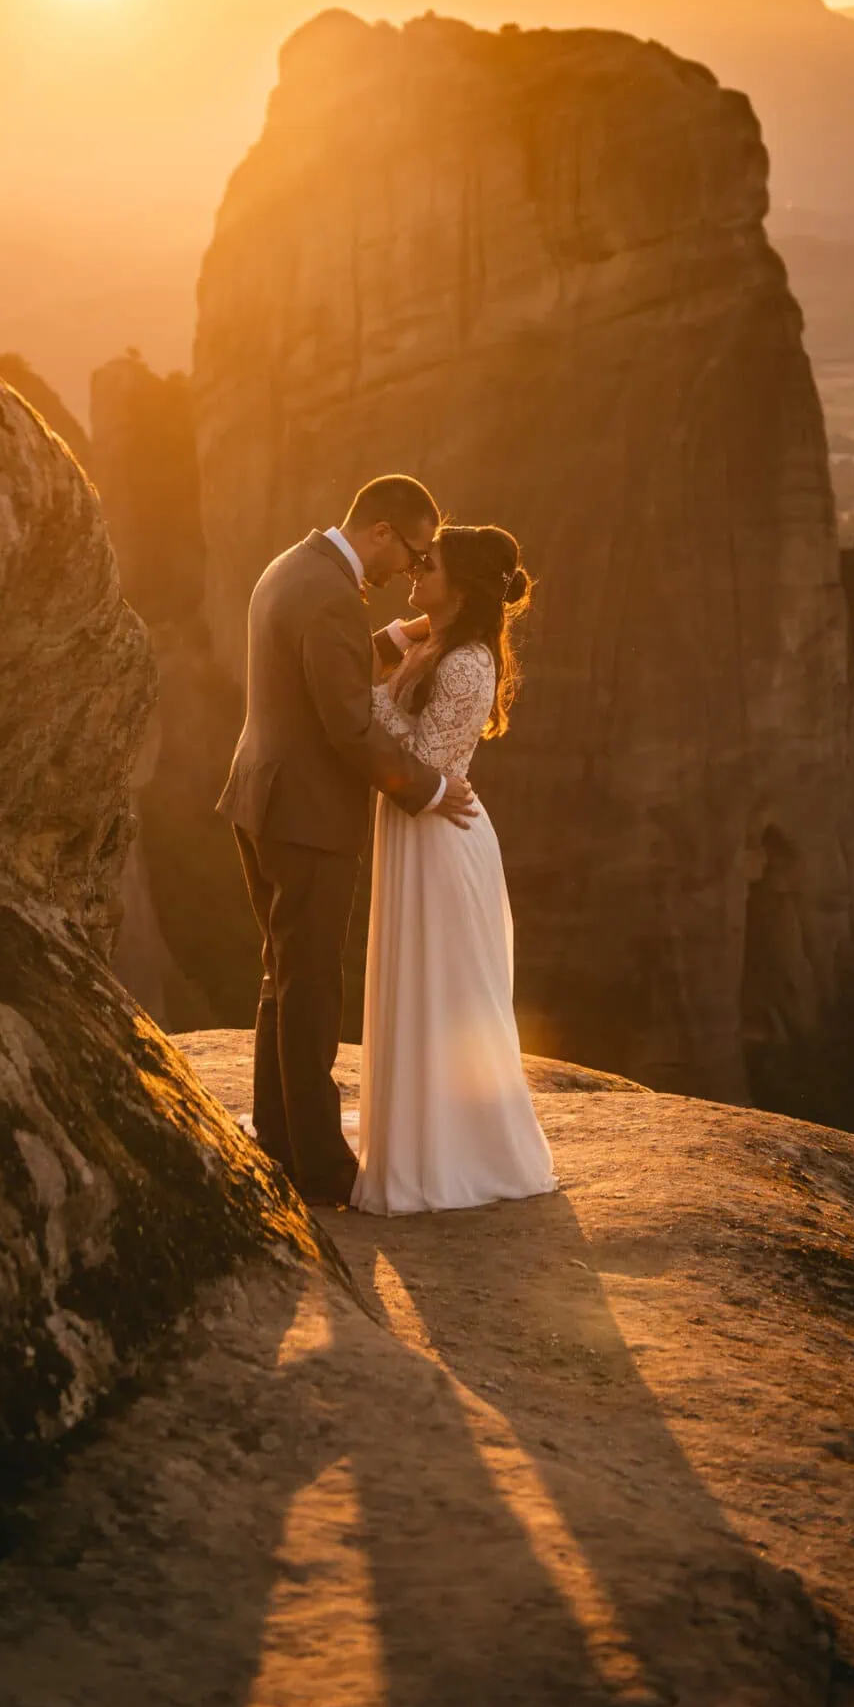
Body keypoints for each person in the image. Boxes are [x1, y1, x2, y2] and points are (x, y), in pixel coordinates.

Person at [218, 476, 478, 1206]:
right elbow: (347, 726)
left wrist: (395, 640)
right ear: (384, 533)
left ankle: (278, 1137)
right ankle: (321, 1169)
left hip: (259, 796)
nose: (413, 568)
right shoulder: (330, 591)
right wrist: (427, 789)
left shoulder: (294, 565)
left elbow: (324, 662)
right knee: (311, 987)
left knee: (284, 974)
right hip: (305, 817)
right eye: (416, 549)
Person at [353, 523, 555, 1215]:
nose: (413, 570)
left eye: (427, 565)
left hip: (440, 838)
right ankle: (411, 1134)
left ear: (460, 585)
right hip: (420, 830)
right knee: (417, 982)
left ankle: (449, 1151)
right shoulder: (438, 642)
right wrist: (407, 634)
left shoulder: (468, 662)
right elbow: (374, 659)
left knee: (441, 989)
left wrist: (362, 704)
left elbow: (425, 764)